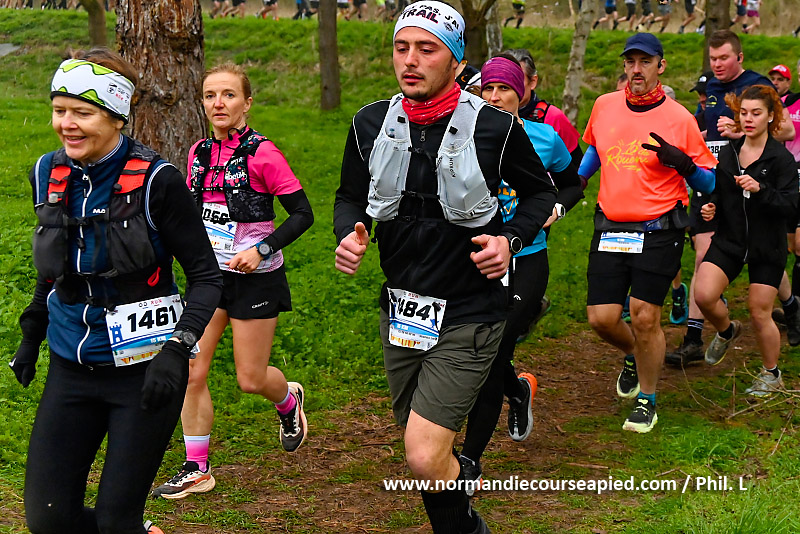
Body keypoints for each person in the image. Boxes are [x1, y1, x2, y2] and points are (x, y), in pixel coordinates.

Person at [334, 2, 556, 531]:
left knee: (423, 453)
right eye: (401, 47)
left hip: (470, 311)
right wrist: (348, 231)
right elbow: (348, 195)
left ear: (456, 62)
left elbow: (541, 193)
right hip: (403, 312)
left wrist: (509, 239)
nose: (410, 60)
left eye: (426, 49)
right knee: (426, 454)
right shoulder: (370, 122)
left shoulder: (495, 127)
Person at [9, 49, 223, 534]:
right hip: (71, 366)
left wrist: (177, 350)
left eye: (82, 113)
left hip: (145, 372)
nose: (67, 124)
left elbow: (207, 277)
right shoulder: (46, 172)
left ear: (116, 116)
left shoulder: (157, 182)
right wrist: (33, 329)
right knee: (49, 520)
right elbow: (56, 263)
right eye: (59, 110)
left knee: (115, 522)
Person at [152, 63, 313, 500]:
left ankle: (288, 400)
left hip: (255, 279)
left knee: (250, 378)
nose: (218, 103)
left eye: (228, 95)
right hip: (209, 279)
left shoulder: (264, 154)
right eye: (210, 95)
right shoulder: (198, 153)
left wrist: (261, 249)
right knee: (190, 369)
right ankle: (197, 468)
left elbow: (303, 214)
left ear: (246, 102)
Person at [578, 33, 717, 433]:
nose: (636, 70)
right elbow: (596, 149)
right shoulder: (604, 105)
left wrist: (683, 164)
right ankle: (633, 355)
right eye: (630, 62)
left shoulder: (679, 118)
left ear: (661, 66)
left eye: (645, 62)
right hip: (610, 227)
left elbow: (710, 183)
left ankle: (647, 400)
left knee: (644, 315)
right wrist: (576, 181)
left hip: (658, 229)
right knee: (602, 318)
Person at [458, 54, 583, 492]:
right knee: (487, 352)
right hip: (478, 259)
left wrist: (556, 209)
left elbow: (573, 181)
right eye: (487, 89)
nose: (494, 97)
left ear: (523, 92)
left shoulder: (544, 137)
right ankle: (517, 389)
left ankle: (470, 460)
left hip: (527, 258)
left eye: (504, 89)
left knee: (492, 350)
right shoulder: (463, 134)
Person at [694, 85, 797, 396]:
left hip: (767, 246)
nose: (748, 119)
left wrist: (760, 189)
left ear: (771, 117)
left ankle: (771, 374)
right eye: (743, 113)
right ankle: (727, 331)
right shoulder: (729, 152)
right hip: (731, 240)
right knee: (704, 295)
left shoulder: (780, 159)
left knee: (759, 311)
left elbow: (791, 205)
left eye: (756, 113)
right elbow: (720, 192)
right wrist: (712, 206)